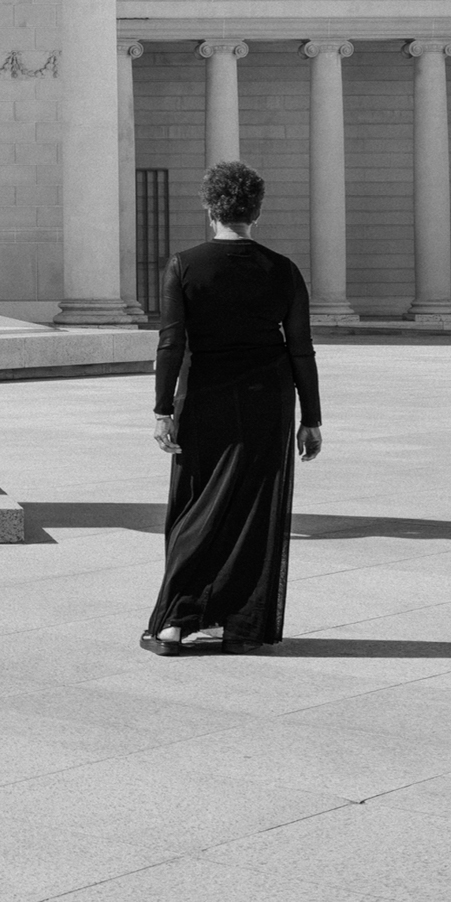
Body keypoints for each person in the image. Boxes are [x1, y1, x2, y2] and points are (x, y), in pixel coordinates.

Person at [145, 160, 323, 657]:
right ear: (257, 212)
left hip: (205, 397)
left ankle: (176, 622)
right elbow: (301, 349)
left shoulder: (184, 265)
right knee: (252, 513)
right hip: (269, 400)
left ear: (209, 208)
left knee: (195, 507)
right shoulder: (282, 269)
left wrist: (163, 409)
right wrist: (311, 418)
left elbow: (171, 343)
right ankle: (239, 624)